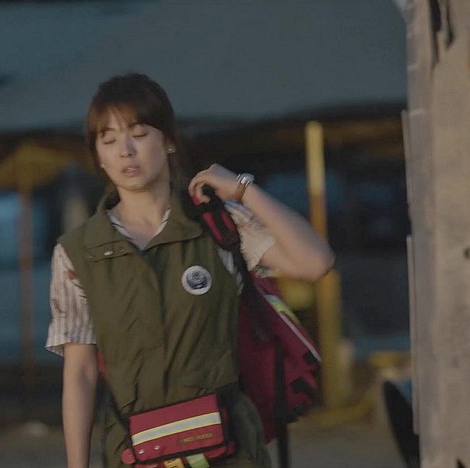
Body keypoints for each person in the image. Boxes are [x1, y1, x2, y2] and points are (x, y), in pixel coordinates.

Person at [46, 73, 334, 468]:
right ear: (98, 156)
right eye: (108, 140)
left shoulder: (219, 223)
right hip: (135, 453)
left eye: (138, 134)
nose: (125, 151)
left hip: (231, 450)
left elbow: (316, 262)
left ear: (168, 140)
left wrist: (243, 189)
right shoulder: (77, 253)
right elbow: (79, 373)